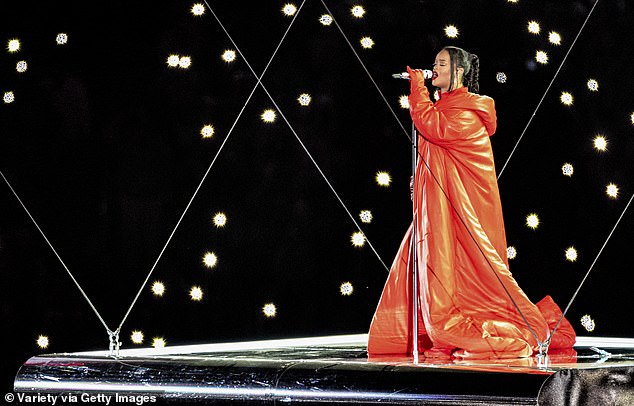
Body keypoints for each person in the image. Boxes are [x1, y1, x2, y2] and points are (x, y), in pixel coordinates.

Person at [368, 46, 576, 359]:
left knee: (461, 283)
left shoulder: (466, 113)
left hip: (465, 215)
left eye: (441, 64)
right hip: (442, 211)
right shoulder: (446, 108)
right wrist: (422, 179)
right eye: (435, 63)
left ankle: (513, 336)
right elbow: (437, 146)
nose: (434, 68)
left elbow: (432, 126)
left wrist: (417, 88)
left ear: (459, 71)